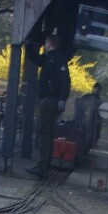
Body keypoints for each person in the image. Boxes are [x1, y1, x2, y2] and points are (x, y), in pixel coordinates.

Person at [31, 34, 71, 176]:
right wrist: (29, 46)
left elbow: (65, 81)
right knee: (45, 132)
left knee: (44, 132)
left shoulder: (57, 59)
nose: (44, 45)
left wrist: (62, 99)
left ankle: (43, 165)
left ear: (51, 44)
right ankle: (43, 164)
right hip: (48, 98)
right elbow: (37, 59)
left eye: (46, 43)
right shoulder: (49, 58)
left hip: (50, 99)